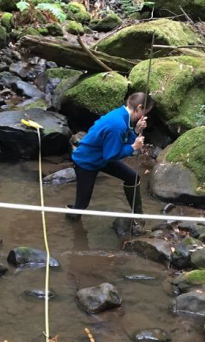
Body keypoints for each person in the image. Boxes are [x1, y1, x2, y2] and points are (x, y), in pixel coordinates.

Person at [65, 92, 155, 236]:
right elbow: (112, 154)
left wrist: (136, 130)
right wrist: (133, 147)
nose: (144, 115)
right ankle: (71, 227)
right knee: (81, 205)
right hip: (86, 162)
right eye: (145, 112)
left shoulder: (122, 115)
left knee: (133, 177)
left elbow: (122, 140)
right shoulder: (117, 124)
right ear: (139, 108)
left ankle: (138, 216)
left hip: (101, 157)